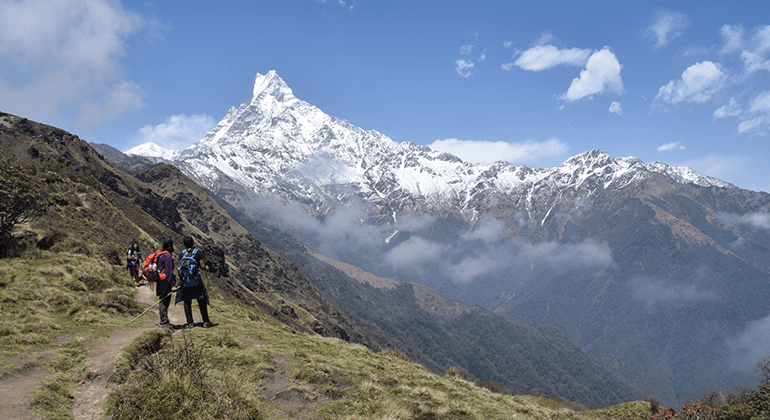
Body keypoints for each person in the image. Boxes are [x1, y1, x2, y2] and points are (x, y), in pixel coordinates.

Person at [175, 235, 214, 329]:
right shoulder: (197, 252)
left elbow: (179, 266)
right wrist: (206, 268)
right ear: (193, 243)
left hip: (185, 282)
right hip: (196, 281)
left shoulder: (182, 253)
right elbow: (201, 265)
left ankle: (190, 323)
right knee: (201, 300)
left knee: (187, 302)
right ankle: (205, 321)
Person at [156, 237, 176, 328]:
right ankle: (164, 321)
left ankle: (163, 320)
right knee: (164, 302)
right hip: (166, 282)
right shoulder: (168, 256)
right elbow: (168, 272)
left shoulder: (160, 254)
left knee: (162, 300)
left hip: (160, 280)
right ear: (169, 245)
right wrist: (171, 284)